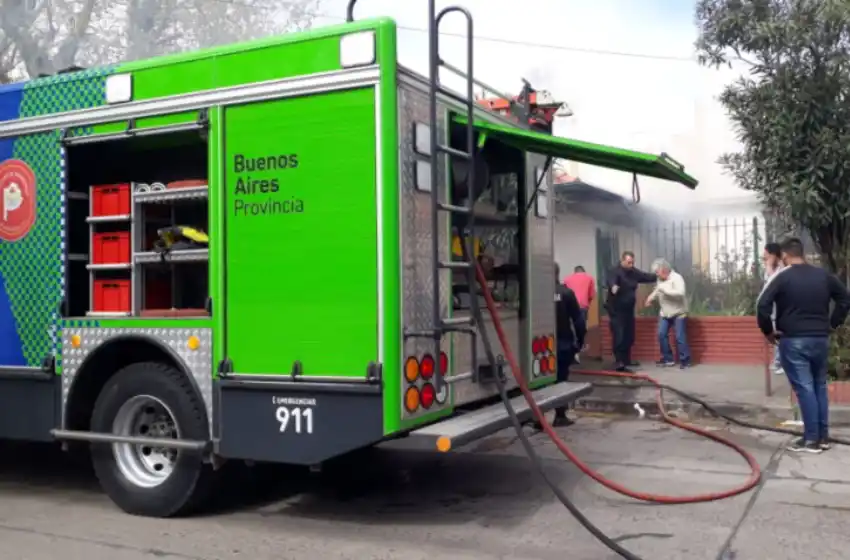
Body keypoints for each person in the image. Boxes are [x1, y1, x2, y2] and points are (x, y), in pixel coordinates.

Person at [757, 237, 850, 454]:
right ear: (802, 253)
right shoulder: (823, 275)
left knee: (805, 388)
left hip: (794, 340)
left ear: (786, 256)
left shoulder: (782, 278)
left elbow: (763, 305)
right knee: (818, 386)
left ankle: (811, 440)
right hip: (820, 339)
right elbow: (845, 300)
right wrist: (832, 324)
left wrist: (768, 332)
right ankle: (822, 436)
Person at [605, 251, 657, 373]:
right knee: (619, 335)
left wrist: (658, 275)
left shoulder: (633, 272)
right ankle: (618, 361)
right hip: (616, 310)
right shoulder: (615, 271)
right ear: (622, 261)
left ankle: (626, 360)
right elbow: (611, 280)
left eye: (632, 262)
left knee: (629, 335)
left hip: (628, 310)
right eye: (629, 262)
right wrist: (613, 286)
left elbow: (645, 277)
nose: (631, 265)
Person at [551, 262, 586, 427]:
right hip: (563, 343)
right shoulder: (566, 293)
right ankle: (559, 415)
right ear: (557, 273)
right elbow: (578, 321)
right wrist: (579, 342)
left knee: (538, 382)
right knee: (561, 380)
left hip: (539, 345)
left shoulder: (533, 293)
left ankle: (537, 418)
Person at [645, 258, 691, 369]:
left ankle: (685, 361)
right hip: (665, 313)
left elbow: (680, 293)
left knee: (680, 337)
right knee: (661, 334)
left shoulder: (677, 278)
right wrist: (650, 298)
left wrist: (665, 290)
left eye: (657, 272)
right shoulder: (660, 279)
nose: (656, 275)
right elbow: (657, 290)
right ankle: (668, 359)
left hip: (679, 312)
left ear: (664, 270)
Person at [762, 242, 785, 375]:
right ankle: (778, 361)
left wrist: (770, 267)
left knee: (780, 335)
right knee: (776, 335)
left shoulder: (782, 269)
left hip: (781, 309)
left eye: (766, 254)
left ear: (773, 255)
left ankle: (780, 363)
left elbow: (773, 283)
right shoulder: (768, 268)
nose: (764, 257)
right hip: (773, 309)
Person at [563, 265, 595, 363]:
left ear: (575, 272)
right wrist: (587, 304)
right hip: (582, 307)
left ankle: (572, 353)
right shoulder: (589, 278)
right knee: (581, 329)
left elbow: (564, 293)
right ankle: (578, 350)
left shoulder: (566, 279)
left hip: (568, 308)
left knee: (570, 330)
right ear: (583, 271)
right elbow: (591, 295)